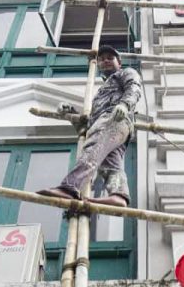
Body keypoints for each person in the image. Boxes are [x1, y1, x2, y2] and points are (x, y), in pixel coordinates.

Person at [38, 46, 142, 207]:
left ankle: (70, 187)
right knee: (110, 164)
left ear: (119, 63)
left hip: (114, 119)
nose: (105, 61)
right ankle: (119, 194)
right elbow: (89, 125)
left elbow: (134, 87)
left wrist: (124, 104)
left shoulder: (126, 73)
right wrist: (70, 112)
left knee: (93, 148)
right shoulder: (101, 92)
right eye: (102, 59)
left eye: (110, 58)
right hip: (110, 123)